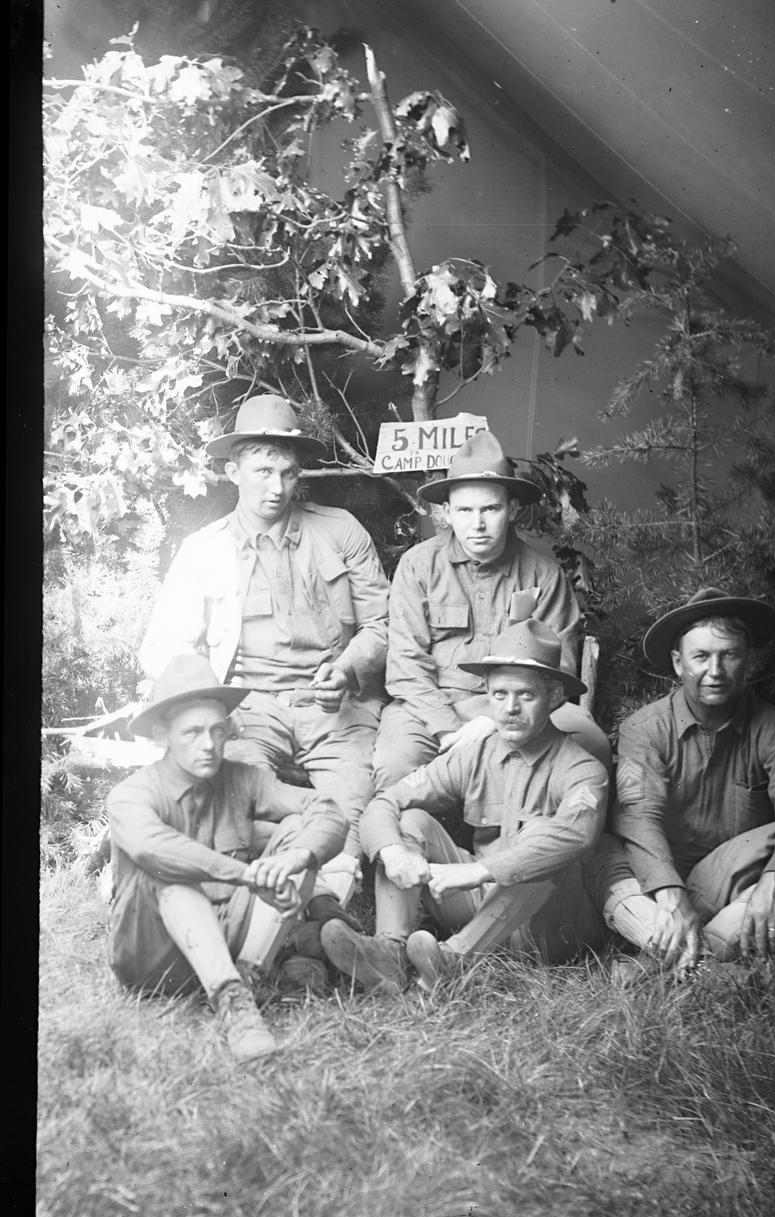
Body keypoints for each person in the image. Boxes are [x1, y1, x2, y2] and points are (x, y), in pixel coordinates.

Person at [138, 394, 391, 906]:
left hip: (334, 709)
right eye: (262, 471)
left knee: (347, 808)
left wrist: (346, 670)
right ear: (233, 471)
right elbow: (163, 644)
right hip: (247, 709)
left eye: (289, 473)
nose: (276, 488)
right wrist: (212, 701)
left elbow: (384, 624)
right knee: (238, 794)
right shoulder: (204, 549)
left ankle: (324, 912)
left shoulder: (340, 532)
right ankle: (261, 907)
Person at [320, 619, 621, 993]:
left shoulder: (580, 765)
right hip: (487, 906)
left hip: (552, 927)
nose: (509, 708)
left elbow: (576, 835)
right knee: (408, 821)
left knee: (543, 843)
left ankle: (453, 961)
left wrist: (479, 870)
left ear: (555, 696)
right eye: (499, 695)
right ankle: (390, 953)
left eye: (525, 696)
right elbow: (386, 800)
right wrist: (392, 850)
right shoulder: (475, 755)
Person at [107, 655, 350, 1061]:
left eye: (218, 730)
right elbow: (154, 848)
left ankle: (248, 976)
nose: (208, 744)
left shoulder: (243, 778)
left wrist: (296, 858)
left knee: (295, 835)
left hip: (228, 933)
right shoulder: (133, 793)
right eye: (193, 732)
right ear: (163, 734)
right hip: (154, 957)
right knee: (171, 872)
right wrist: (247, 875)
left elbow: (326, 809)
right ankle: (234, 1004)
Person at [602, 587, 775, 975]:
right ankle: (711, 968)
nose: (715, 672)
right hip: (665, 877)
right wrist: (670, 893)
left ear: (747, 661)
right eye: (701, 657)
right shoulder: (644, 729)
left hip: (736, 877)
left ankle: (654, 966)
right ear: (679, 664)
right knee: (608, 853)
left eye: (728, 655)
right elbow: (638, 817)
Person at [371, 429, 611, 790]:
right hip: (430, 705)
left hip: (522, 704)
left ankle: (545, 843)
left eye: (491, 509)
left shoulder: (543, 575)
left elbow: (558, 669)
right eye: (465, 510)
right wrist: (448, 728)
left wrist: (496, 719)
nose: (478, 523)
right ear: (447, 513)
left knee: (590, 744)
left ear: (512, 509)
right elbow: (406, 665)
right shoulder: (418, 566)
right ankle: (404, 844)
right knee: (395, 765)